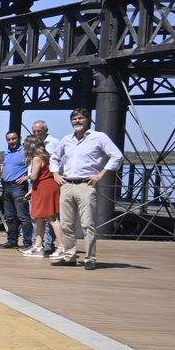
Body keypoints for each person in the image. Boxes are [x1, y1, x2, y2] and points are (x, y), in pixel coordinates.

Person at [50, 108, 124, 270]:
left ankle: (90, 258)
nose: (77, 121)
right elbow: (54, 157)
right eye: (74, 119)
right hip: (67, 184)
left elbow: (116, 155)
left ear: (88, 120)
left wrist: (100, 175)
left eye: (80, 118)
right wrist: (55, 173)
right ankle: (70, 256)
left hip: (86, 185)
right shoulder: (66, 140)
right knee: (66, 224)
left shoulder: (99, 137)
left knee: (87, 224)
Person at [23, 134, 62, 258]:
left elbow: (34, 176)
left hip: (44, 187)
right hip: (42, 187)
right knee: (39, 217)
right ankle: (38, 244)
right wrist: (31, 191)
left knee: (51, 217)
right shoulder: (46, 156)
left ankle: (61, 246)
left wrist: (26, 177)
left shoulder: (37, 158)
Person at [0, 130, 33, 250]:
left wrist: (27, 177)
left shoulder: (25, 151)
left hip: (18, 187)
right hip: (6, 186)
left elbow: (34, 166)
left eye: (14, 139)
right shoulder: (7, 152)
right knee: (9, 216)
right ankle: (12, 240)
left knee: (22, 216)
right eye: (9, 139)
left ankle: (28, 242)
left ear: (19, 138)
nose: (11, 141)